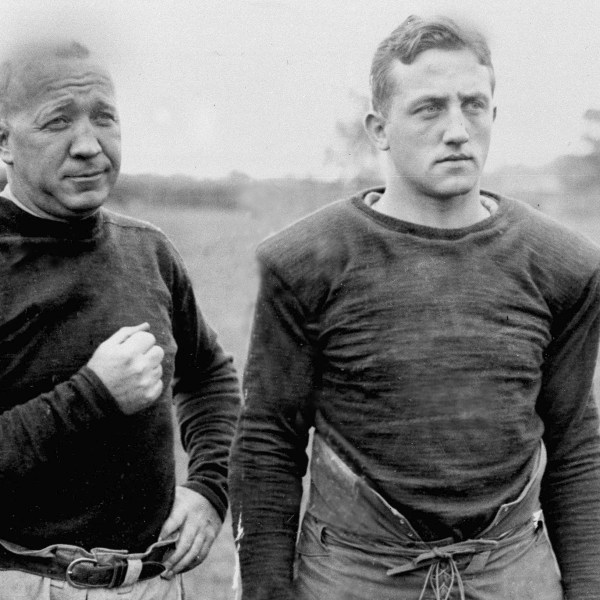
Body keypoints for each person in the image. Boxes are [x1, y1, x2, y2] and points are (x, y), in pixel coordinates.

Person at [229, 14, 600, 600]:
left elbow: (576, 438)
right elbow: (268, 441)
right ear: (379, 128)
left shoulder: (565, 264)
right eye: (429, 108)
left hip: (510, 572)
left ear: (494, 116)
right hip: (353, 574)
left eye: (474, 105)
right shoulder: (304, 262)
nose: (458, 129)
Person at [0, 39, 240, 599]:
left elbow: (210, 376)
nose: (88, 145)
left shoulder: (148, 251)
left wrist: (208, 488)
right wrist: (93, 395)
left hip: (149, 585)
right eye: (58, 121)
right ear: (4, 140)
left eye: (104, 117)